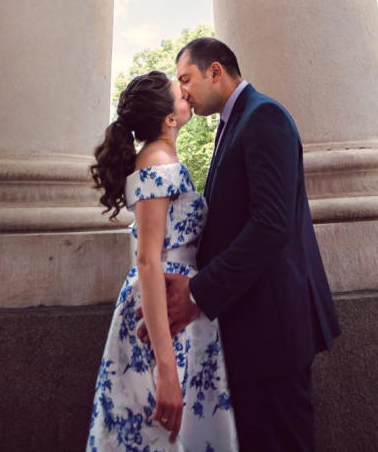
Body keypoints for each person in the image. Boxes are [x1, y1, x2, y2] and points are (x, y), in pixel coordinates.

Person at [137, 38, 341, 452]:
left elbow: (271, 225)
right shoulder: (235, 123)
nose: (185, 91)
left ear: (215, 71)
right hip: (251, 330)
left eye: (187, 79)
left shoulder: (263, 115)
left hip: (273, 332)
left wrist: (197, 292)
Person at [86, 69, 239, 452]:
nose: (187, 93)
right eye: (180, 93)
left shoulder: (162, 157)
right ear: (170, 118)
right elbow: (149, 262)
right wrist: (167, 369)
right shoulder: (157, 163)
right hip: (163, 316)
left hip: (178, 307)